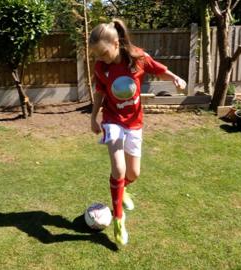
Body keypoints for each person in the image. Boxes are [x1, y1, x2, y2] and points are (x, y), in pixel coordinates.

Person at [88, 19, 187, 246]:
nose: (100, 59)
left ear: (116, 43)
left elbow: (158, 69)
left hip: (134, 123)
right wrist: (94, 117)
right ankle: (118, 220)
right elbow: (100, 94)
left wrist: (174, 78)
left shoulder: (137, 58)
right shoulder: (101, 68)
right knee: (119, 168)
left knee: (133, 174)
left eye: (103, 53)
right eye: (96, 55)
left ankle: (123, 191)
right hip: (112, 120)